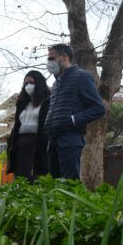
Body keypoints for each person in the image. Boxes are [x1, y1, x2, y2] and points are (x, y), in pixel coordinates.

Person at [44, 43, 106, 179]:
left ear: (64, 57)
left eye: (51, 58)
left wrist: (73, 120)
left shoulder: (81, 77)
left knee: (68, 185)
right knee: (54, 186)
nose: (49, 63)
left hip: (70, 141)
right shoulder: (56, 84)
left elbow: (99, 108)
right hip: (53, 141)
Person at [7, 70, 50, 183]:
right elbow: (17, 124)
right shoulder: (22, 103)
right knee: (20, 179)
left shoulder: (47, 102)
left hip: (38, 145)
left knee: (36, 178)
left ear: (39, 83)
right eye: (26, 83)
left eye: (31, 82)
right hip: (20, 146)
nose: (28, 86)